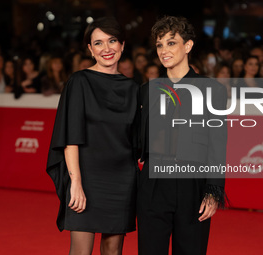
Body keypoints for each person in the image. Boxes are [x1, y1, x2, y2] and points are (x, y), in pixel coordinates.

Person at [46, 17, 139, 255]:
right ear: (90, 49)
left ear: (122, 45)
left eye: (112, 41)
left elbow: (138, 140)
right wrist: (75, 182)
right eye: (98, 43)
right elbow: (71, 137)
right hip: (86, 178)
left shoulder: (134, 89)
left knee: (113, 251)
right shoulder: (79, 82)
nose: (106, 49)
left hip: (122, 180)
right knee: (80, 251)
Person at [137, 16, 227, 255]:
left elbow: (217, 144)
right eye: (160, 44)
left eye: (171, 43)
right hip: (153, 183)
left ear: (187, 46)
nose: (164, 50)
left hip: (193, 185)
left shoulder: (212, 90)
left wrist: (213, 190)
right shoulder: (146, 91)